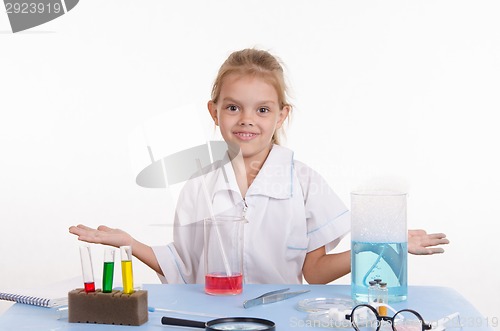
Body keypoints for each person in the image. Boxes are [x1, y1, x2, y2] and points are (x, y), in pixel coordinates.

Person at [69, 48, 449, 284]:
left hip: (281, 318)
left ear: (281, 116)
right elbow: (184, 269)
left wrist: (379, 246)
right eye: (233, 107)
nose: (247, 119)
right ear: (214, 112)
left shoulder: (304, 183)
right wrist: (131, 243)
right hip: (213, 318)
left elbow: (314, 272)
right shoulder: (198, 187)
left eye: (262, 109)